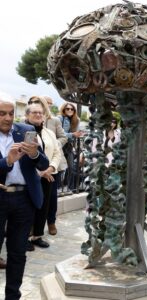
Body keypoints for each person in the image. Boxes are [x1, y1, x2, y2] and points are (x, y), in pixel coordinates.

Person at [0, 97, 49, 299]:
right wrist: (7, 162)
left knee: (18, 252)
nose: (8, 117)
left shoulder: (24, 130)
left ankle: (13, 296)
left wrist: (35, 154)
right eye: (2, 113)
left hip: (24, 199)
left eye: (11, 113)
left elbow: (43, 163)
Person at [28, 95, 67, 235]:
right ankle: (30, 231)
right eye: (32, 105)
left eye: (39, 106)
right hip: (33, 174)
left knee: (49, 202)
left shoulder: (51, 126)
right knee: (33, 203)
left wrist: (50, 168)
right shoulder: (24, 128)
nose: (37, 112)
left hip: (50, 171)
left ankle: (47, 226)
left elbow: (57, 150)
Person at [24, 104, 61, 250]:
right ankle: (25, 237)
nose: (38, 115)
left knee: (43, 206)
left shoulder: (49, 132)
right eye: (34, 112)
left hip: (48, 176)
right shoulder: (22, 130)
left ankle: (37, 236)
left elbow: (57, 153)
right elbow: (24, 157)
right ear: (27, 115)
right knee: (28, 208)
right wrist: (41, 172)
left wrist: (50, 168)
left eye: (40, 113)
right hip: (31, 177)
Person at [59, 102, 84, 194]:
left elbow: (76, 133)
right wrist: (72, 134)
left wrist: (78, 134)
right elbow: (60, 133)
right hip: (60, 145)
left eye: (72, 109)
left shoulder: (76, 120)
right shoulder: (60, 118)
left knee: (71, 167)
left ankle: (69, 188)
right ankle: (58, 188)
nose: (70, 110)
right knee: (59, 168)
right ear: (64, 110)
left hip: (69, 146)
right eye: (67, 109)